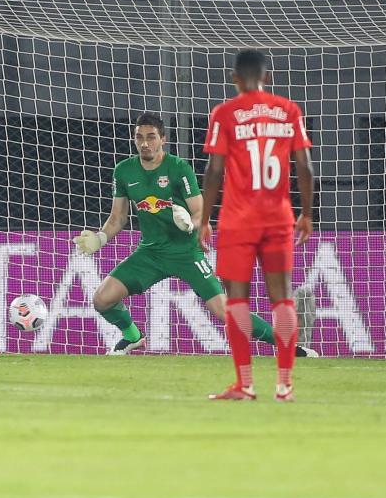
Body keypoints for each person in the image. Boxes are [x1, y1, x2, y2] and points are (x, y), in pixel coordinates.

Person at [74, 113, 317, 357]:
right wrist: (100, 238)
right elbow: (118, 218)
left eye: (151, 137)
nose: (144, 143)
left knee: (225, 311)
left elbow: (201, 210)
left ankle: (287, 345)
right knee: (102, 299)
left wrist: (190, 224)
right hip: (150, 253)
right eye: (139, 138)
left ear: (162, 140)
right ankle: (132, 337)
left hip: (186, 253)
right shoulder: (124, 171)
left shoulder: (178, 168)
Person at [201, 50, 315, 402]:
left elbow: (215, 171)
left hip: (238, 220)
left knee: (237, 301)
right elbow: (305, 167)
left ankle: (245, 384)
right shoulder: (288, 110)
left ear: (235, 77)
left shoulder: (225, 113)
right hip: (279, 217)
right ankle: (284, 384)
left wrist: (203, 218)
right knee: (282, 298)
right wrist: (307, 213)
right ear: (267, 77)